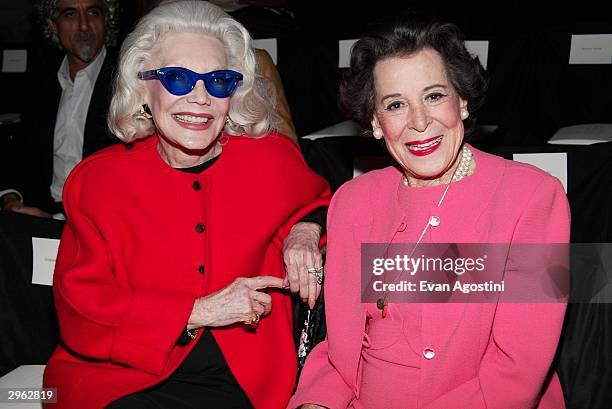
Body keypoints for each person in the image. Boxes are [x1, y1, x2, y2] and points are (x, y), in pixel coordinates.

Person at [41, 2, 330, 408]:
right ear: (142, 86)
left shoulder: (271, 159)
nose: (200, 99)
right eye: (177, 79)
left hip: (242, 377)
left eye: (219, 81)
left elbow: (321, 200)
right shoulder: (98, 181)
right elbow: (80, 307)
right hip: (120, 377)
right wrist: (197, 311)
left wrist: (304, 230)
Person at [289, 12, 570, 409]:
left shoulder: (533, 197)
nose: (419, 121)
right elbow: (341, 350)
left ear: (464, 102)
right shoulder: (354, 200)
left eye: (434, 96)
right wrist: (315, 402)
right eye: (396, 104)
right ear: (375, 120)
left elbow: (517, 370)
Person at [0, 0, 120, 218]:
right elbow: (20, 154)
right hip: (42, 217)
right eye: (70, 14)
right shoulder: (40, 83)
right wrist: (9, 197)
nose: (84, 25)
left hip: (106, 223)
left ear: (106, 21)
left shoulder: (128, 82)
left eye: (93, 12)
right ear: (53, 25)